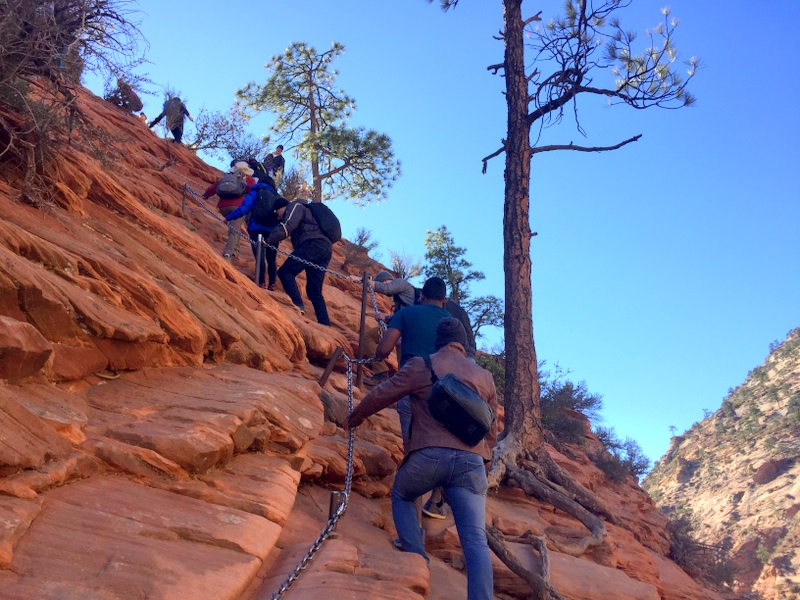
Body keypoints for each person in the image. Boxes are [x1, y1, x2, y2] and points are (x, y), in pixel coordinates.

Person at [345, 317, 498, 600]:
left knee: (403, 495)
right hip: (471, 463)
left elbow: (383, 394)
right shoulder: (485, 378)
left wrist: (354, 418)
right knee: (475, 539)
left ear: (437, 342)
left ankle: (417, 561)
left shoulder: (422, 365)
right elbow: (492, 431)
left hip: (429, 457)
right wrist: (482, 468)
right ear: (463, 344)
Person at [375, 276, 452, 519]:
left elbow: (385, 348)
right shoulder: (451, 323)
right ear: (445, 300)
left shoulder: (407, 313)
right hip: (445, 394)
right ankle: (436, 500)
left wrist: (378, 357)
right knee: (442, 443)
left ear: (422, 296)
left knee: (413, 449)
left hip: (411, 388)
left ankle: (413, 519)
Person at [266, 197, 332, 325]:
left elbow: (288, 225)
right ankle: (325, 324)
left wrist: (268, 240)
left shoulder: (294, 207)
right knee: (314, 291)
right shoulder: (307, 210)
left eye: (276, 213)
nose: (278, 218)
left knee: (285, 272)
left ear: (281, 207)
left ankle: (297, 306)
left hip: (312, 243)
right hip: (325, 248)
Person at [223, 172, 282, 290]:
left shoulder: (255, 193)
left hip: (256, 228)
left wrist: (228, 218)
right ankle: (272, 284)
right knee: (271, 258)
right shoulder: (277, 197)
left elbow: (243, 209)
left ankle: (261, 282)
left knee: (259, 255)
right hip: (273, 230)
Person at [204, 161, 257, 262]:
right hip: (237, 207)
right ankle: (227, 255)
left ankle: (234, 252)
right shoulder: (250, 180)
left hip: (223, 207)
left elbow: (214, 188)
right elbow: (253, 193)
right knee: (234, 231)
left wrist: (206, 195)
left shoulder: (227, 177)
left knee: (235, 228)